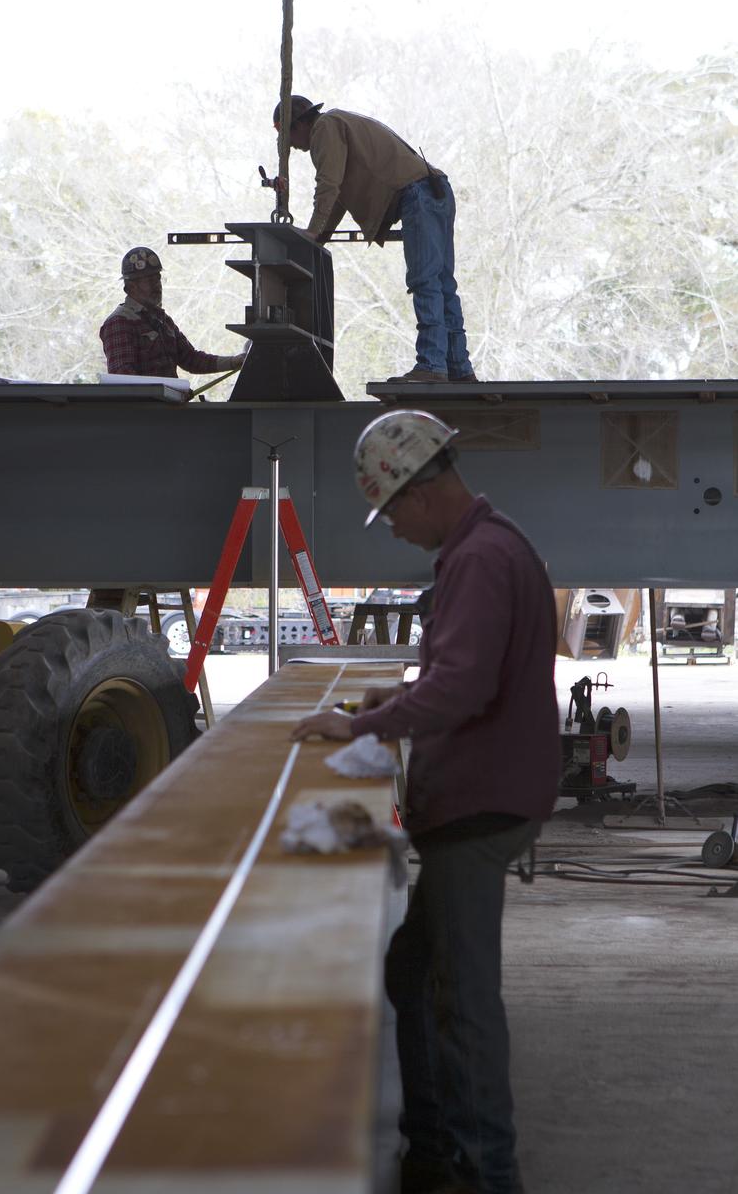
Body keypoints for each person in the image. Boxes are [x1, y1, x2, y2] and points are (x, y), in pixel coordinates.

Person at [292, 409, 560, 1194]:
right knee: (415, 973)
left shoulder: (478, 558)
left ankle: (485, 1171)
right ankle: (436, 1142)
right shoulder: (485, 545)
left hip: (480, 808)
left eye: (393, 512)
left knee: (461, 997)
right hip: (484, 793)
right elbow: (461, 675)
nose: (395, 530)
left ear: (421, 489)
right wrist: (399, 692)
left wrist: (361, 722)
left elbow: (466, 685)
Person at [273, 96, 476, 384]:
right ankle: (459, 368)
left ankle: (431, 365)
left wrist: (312, 232)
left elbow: (328, 185)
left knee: (425, 281)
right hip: (436, 191)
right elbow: (340, 195)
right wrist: (319, 238)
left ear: (301, 124)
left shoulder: (324, 128)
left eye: (288, 137)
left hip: (417, 195)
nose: (291, 146)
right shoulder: (340, 125)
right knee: (442, 283)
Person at [100, 246, 245, 381]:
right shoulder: (119, 323)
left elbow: (191, 359)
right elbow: (124, 378)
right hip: (144, 408)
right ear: (131, 286)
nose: (157, 285)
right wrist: (166, 392)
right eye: (150, 280)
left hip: (166, 406)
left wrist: (234, 362)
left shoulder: (163, 320)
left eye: (158, 278)